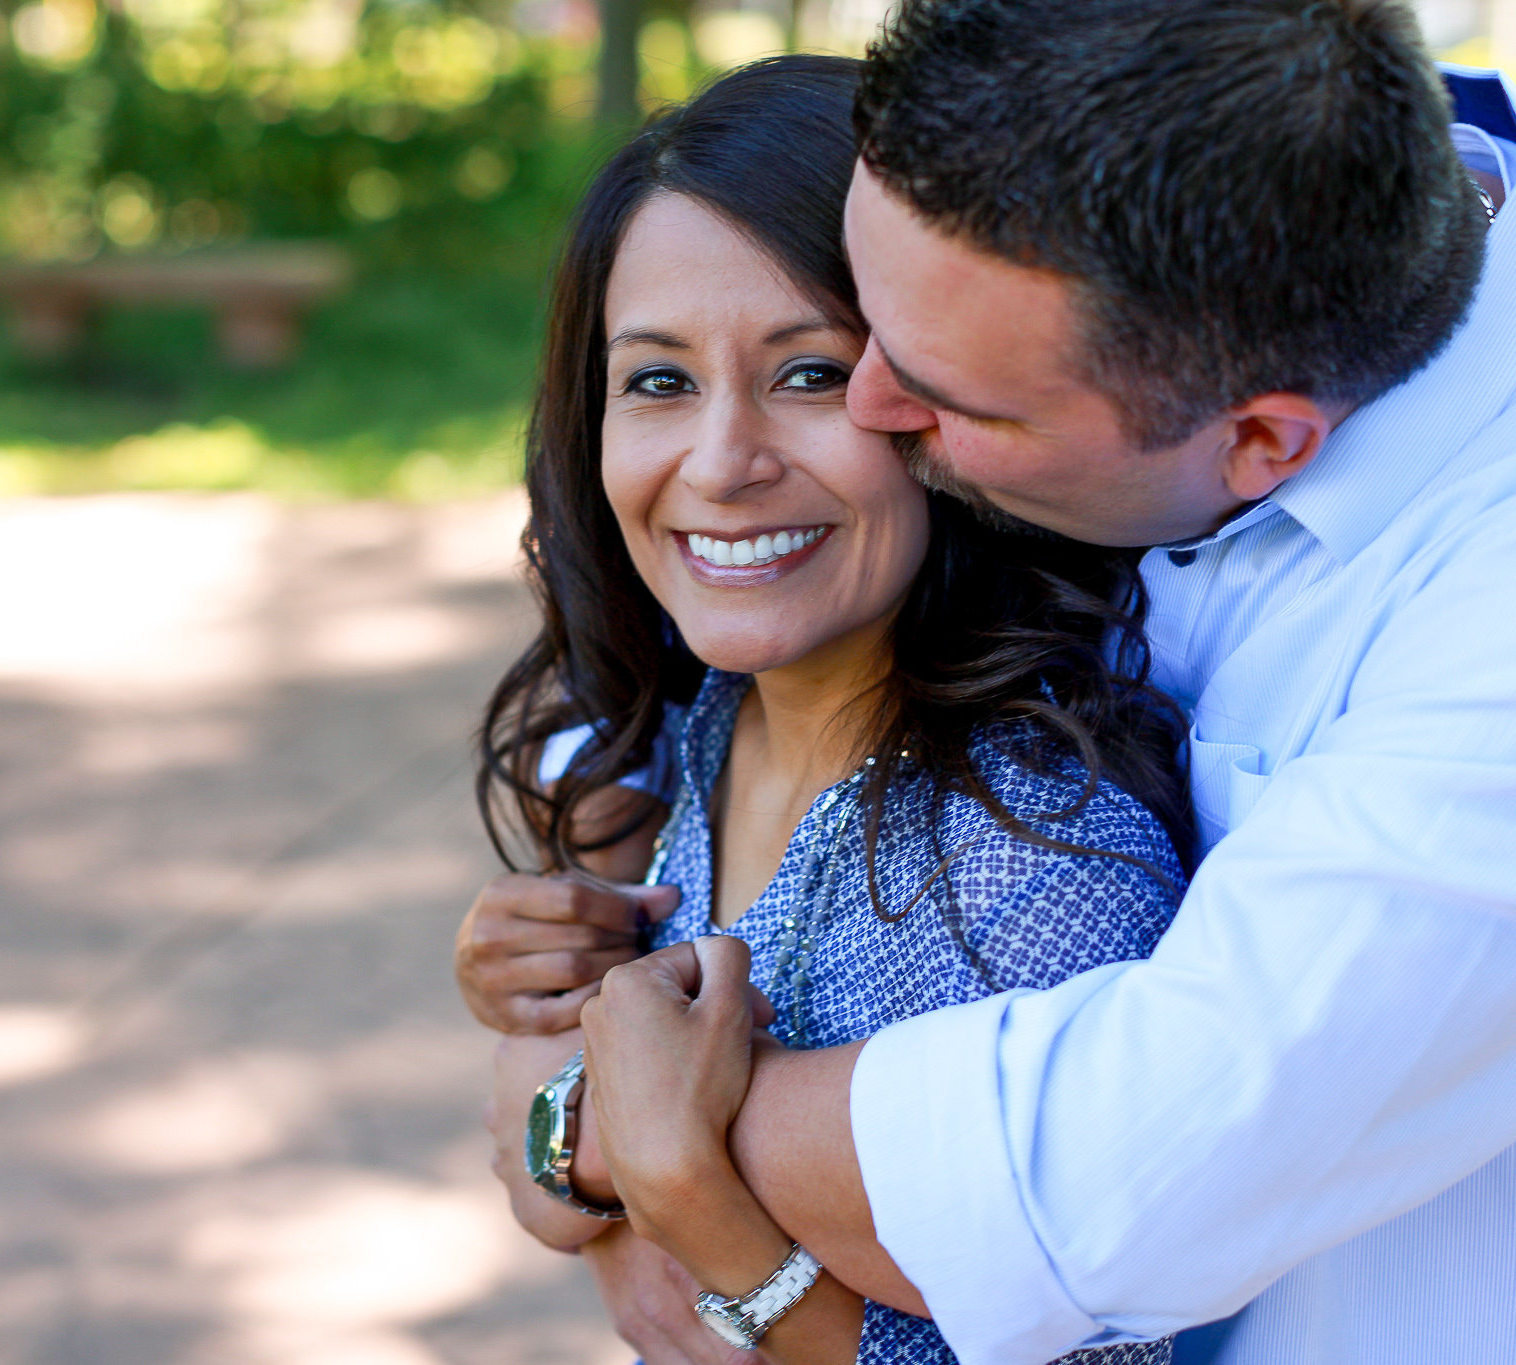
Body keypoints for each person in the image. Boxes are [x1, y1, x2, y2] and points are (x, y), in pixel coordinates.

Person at [459, 0, 1516, 1361]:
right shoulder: (1171, 296)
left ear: (1260, 442)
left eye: (886, 377)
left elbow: (1122, 1168)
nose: (875, 409)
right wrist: (577, 986)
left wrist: (620, 1120)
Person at [468, 54, 1201, 1363]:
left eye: (809, 374)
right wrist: (579, 1110)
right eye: (658, 381)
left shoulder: (1033, 853)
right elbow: (537, 1131)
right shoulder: (702, 727)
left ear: (947, 400)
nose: (722, 460)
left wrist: (688, 1198)